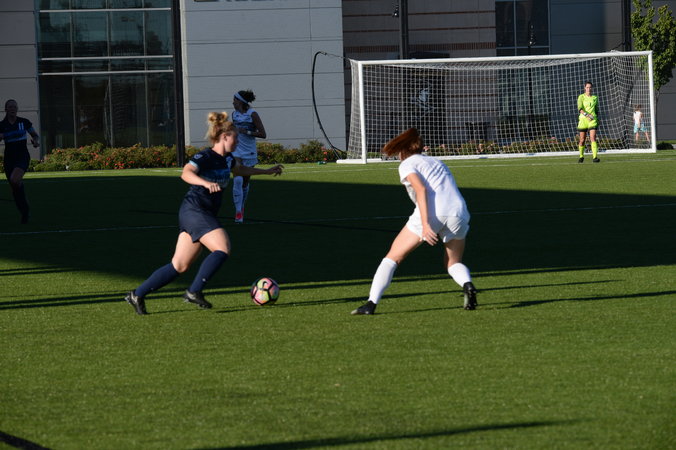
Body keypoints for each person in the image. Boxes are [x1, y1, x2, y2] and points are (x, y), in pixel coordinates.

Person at [124, 112, 283, 315]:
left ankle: (137, 294)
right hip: (195, 210)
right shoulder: (205, 156)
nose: (238, 141)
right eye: (235, 137)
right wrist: (205, 183)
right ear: (225, 137)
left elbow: (240, 170)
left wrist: (267, 171)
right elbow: (186, 173)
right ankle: (194, 291)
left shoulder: (227, 159)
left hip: (200, 213)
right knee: (222, 248)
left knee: (179, 265)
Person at [351, 128, 477, 315]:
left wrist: (426, 225)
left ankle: (371, 304)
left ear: (402, 150)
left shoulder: (407, 164)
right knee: (453, 262)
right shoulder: (436, 161)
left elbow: (421, 189)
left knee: (392, 258)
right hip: (459, 211)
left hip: (432, 213)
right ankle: (467, 284)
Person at [0, 99, 39, 224]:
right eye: (10, 107)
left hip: (22, 156)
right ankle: (24, 211)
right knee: (14, 187)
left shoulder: (24, 122)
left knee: (14, 180)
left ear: (17, 109)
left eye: (14, 107)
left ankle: (24, 209)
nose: (13, 109)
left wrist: (36, 142)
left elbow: (35, 135)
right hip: (9, 159)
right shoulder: (2, 125)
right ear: (6, 109)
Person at [231, 89, 266, 223]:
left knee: (245, 183)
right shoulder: (234, 114)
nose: (233, 102)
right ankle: (238, 212)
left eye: (235, 100)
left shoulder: (253, 114)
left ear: (240, 101)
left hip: (249, 151)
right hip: (237, 150)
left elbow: (263, 134)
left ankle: (242, 206)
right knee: (237, 180)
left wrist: (247, 132)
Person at [577, 81, 600, 163]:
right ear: (585, 88)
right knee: (582, 140)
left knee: (593, 138)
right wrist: (587, 115)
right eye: (587, 87)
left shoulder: (595, 97)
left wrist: (597, 118)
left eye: (590, 87)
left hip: (592, 120)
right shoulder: (581, 97)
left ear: (592, 88)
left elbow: (596, 110)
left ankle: (595, 157)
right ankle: (581, 156)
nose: (589, 89)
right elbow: (580, 109)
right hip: (583, 120)